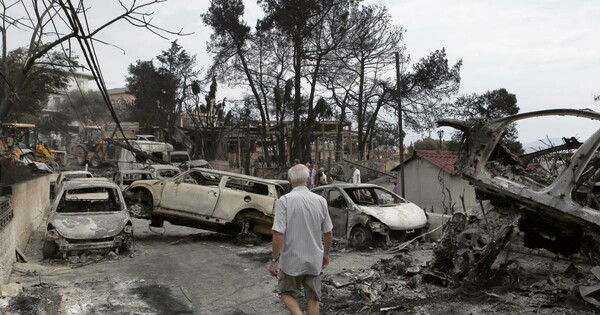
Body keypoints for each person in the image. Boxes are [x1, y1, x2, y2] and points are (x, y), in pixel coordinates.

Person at [269, 164, 333, 315]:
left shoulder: (284, 201)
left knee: (287, 293)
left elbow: (278, 233)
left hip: (291, 260)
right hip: (314, 259)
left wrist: (273, 260)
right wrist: (325, 255)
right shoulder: (320, 201)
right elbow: (329, 233)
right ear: (307, 178)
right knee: (313, 299)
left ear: (290, 179)